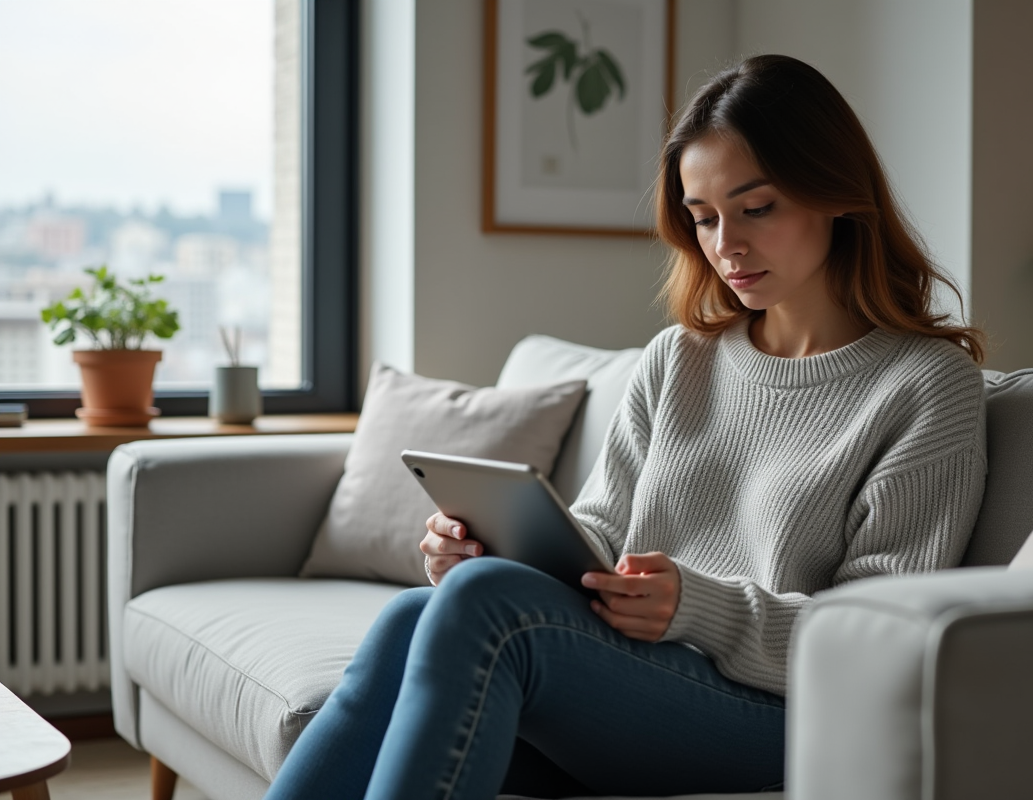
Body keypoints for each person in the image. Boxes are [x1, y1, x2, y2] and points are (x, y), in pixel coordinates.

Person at [263, 54, 988, 800]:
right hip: (638, 680)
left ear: (835, 192)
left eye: (756, 208)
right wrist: (485, 551)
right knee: (420, 613)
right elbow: (599, 534)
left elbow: (882, 639)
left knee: (484, 610)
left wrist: (700, 608)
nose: (725, 246)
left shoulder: (926, 384)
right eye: (703, 219)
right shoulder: (681, 358)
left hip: (788, 714)